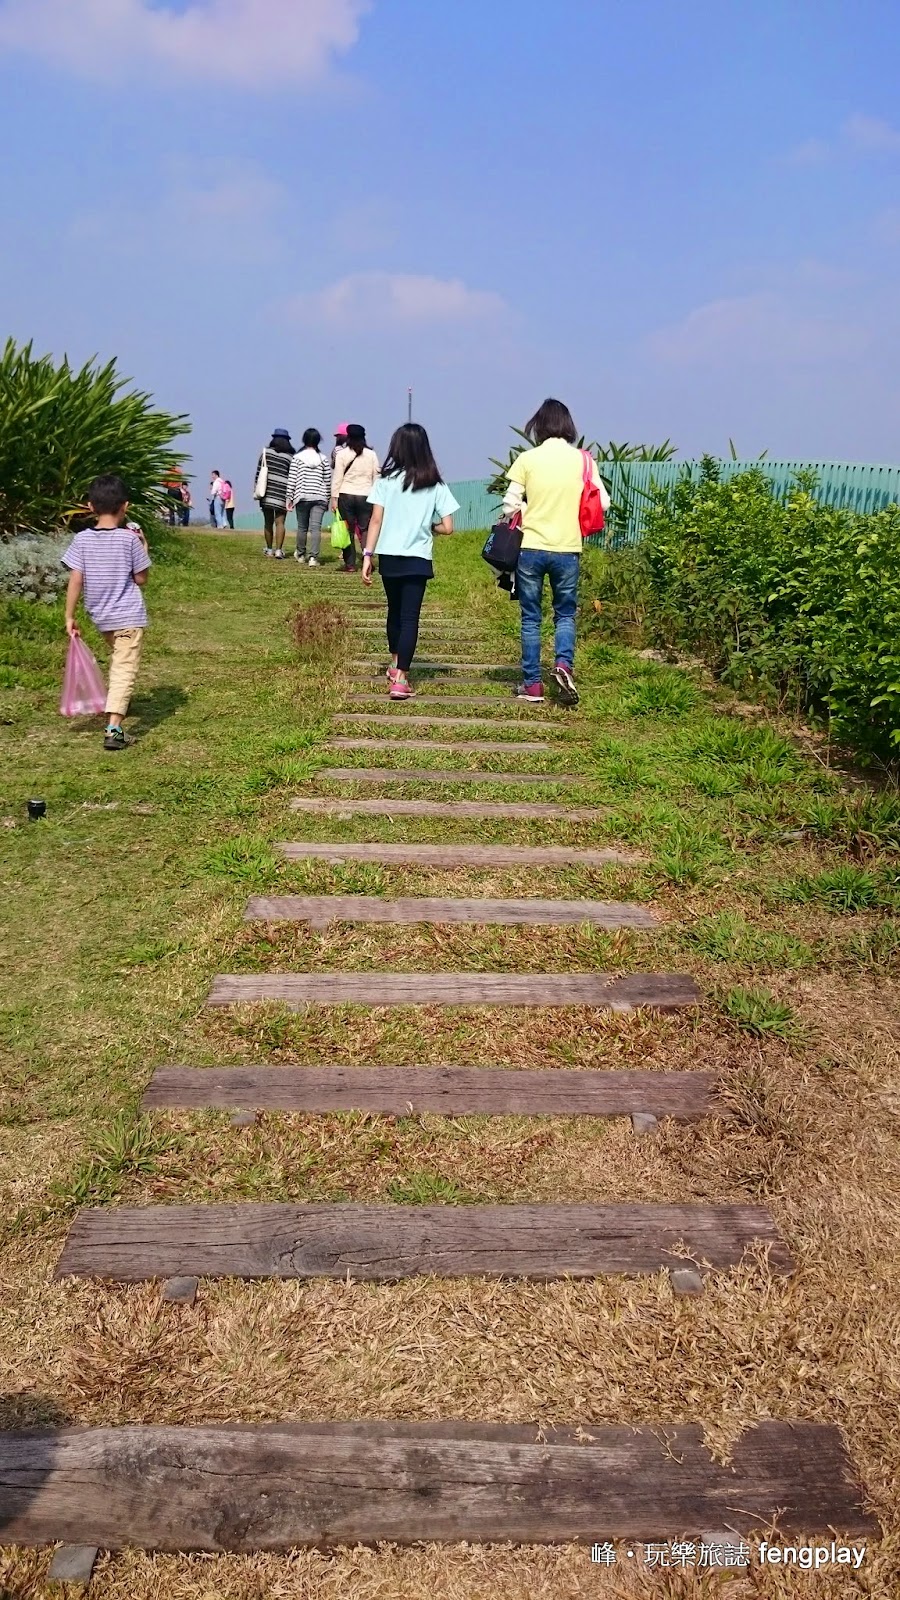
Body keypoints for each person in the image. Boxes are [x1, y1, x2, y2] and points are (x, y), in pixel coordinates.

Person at [501, 398, 610, 705]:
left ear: (538, 426)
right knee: (565, 614)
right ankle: (563, 665)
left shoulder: (527, 459)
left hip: (532, 548)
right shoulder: (584, 461)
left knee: (531, 618)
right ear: (568, 425)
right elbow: (603, 503)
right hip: (567, 549)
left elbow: (509, 506)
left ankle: (532, 686)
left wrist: (528, 510)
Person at [362, 423, 458, 700]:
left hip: (389, 556)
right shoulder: (435, 484)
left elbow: (375, 520)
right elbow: (448, 527)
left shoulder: (385, 482)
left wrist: (367, 555)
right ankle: (401, 679)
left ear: (397, 448)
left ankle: (394, 664)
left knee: (393, 612)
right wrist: (429, 526)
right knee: (409, 617)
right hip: (417, 558)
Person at [62, 474, 151, 752]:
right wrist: (144, 545)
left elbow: (76, 579)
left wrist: (69, 615)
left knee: (119, 660)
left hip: (102, 618)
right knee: (124, 667)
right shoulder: (129, 540)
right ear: (125, 506)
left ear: (90, 507)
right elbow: (141, 578)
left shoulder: (82, 540)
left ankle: (118, 700)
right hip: (128, 616)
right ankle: (114, 730)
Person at [332, 423, 380, 572]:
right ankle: (367, 560)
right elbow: (376, 477)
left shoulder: (342, 454)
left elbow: (337, 477)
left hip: (345, 494)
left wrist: (334, 498)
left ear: (348, 437)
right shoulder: (371, 455)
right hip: (366, 495)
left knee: (348, 530)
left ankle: (350, 564)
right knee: (365, 529)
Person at [287, 428, 332, 565]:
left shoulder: (297, 458)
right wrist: (328, 498)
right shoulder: (323, 459)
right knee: (315, 528)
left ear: (304, 440)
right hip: (319, 496)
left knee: (302, 527)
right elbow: (327, 481)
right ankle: (313, 558)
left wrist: (289, 498)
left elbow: (292, 479)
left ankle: (301, 554)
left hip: (302, 496)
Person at [254, 429, 294, 558]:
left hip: (267, 492)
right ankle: (279, 550)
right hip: (282, 493)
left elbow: (259, 473)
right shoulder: (290, 457)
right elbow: (292, 476)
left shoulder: (266, 453)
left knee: (268, 522)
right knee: (280, 523)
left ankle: (269, 549)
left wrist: (256, 489)